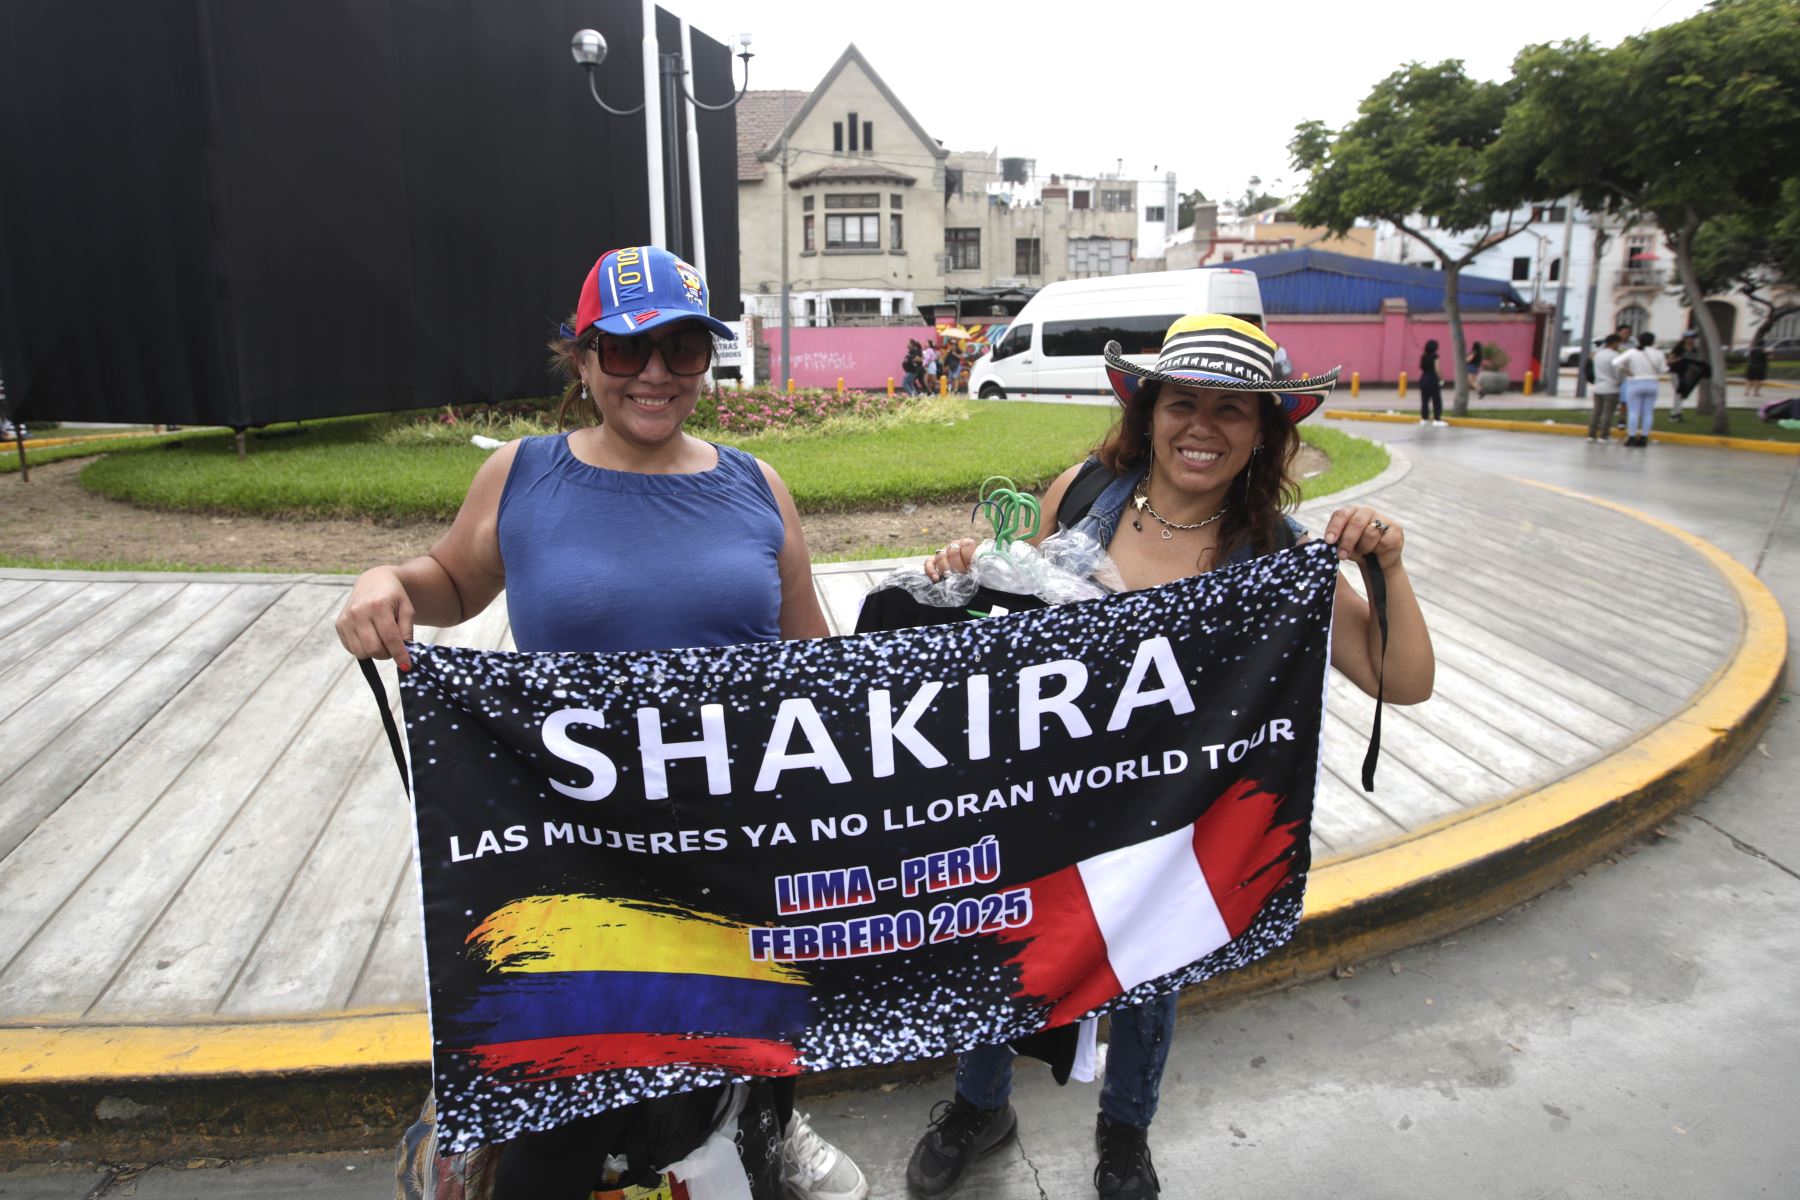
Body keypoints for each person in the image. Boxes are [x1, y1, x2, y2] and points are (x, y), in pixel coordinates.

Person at [335, 245, 867, 1200]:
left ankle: (770, 1140)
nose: (655, 374)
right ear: (581, 361)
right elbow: (449, 582)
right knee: (568, 1119)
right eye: (625, 352)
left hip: (729, 846)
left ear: (708, 360)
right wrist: (385, 584)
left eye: (682, 348)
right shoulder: (522, 476)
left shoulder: (757, 484)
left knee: (727, 1080)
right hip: (572, 859)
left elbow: (812, 665)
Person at [908, 314, 1435, 1199]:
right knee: (1003, 950)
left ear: (1267, 431)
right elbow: (1016, 605)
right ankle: (978, 1105)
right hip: (1042, 796)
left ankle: (1124, 1133)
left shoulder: (1279, 557)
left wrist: (1391, 566)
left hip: (1173, 824)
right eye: (1183, 402)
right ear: (1148, 410)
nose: (1203, 426)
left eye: (1234, 409)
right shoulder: (1080, 494)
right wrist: (965, 570)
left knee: (1151, 977)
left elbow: (1402, 679)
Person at [1617, 331, 1665, 448]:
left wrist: (1627, 370)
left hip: (1635, 382)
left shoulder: (1633, 352)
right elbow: (1663, 369)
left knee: (1633, 411)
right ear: (1653, 341)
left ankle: (1632, 436)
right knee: (1648, 412)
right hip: (1652, 383)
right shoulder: (1658, 353)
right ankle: (1644, 437)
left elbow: (1616, 362)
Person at [1588, 333, 1624, 443]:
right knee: (1608, 413)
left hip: (1598, 387)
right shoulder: (1615, 356)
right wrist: (1620, 382)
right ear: (1614, 343)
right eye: (1618, 343)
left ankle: (1591, 434)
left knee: (1596, 412)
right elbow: (1618, 373)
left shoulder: (1598, 355)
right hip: (1611, 388)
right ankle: (1604, 435)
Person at [1418, 338, 1445, 425]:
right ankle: (1437, 419)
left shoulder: (1424, 356)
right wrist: (1441, 378)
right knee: (1436, 400)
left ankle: (1424, 419)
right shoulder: (1435, 356)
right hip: (1432, 380)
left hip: (1423, 379)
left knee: (1424, 401)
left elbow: (1421, 367)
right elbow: (1437, 369)